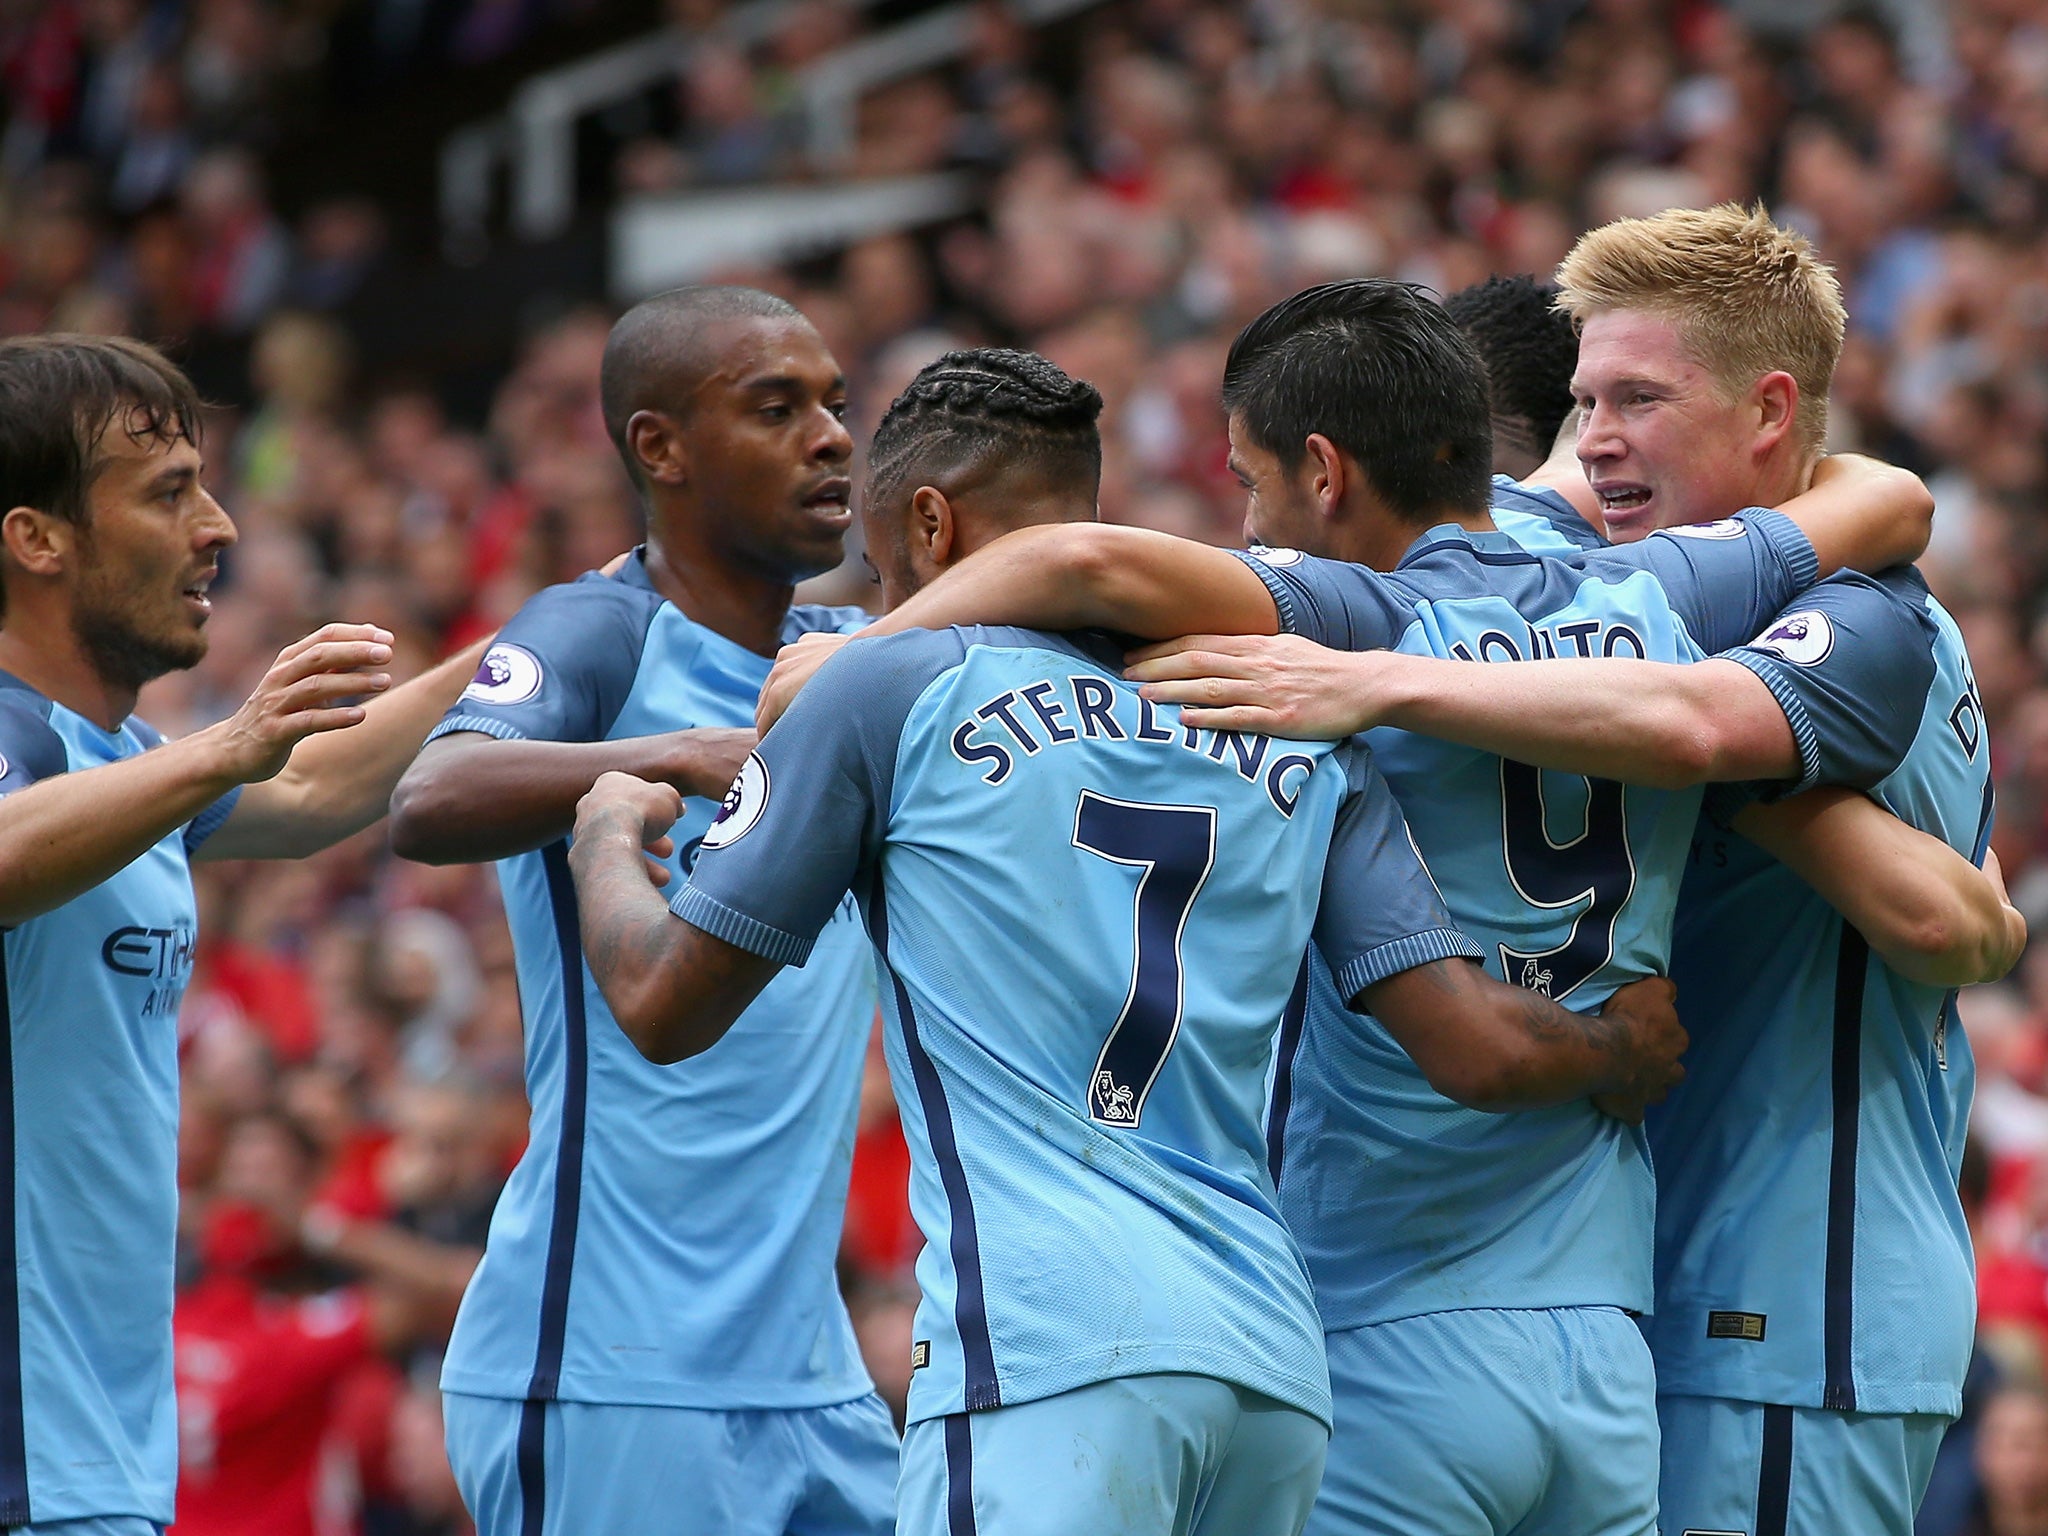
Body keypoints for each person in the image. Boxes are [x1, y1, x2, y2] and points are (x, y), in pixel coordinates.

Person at [784, 275, 1942, 1536]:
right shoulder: (1662, 595)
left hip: (1388, 1320)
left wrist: (867, 655)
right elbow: (1884, 498)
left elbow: (1076, 561)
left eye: (1248, 482)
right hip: (1599, 1345)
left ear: (1322, 475)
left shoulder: (1352, 616)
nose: (1248, 516)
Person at [566, 345, 1687, 1536]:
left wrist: (604, 831)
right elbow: (1473, 1046)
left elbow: (660, 1002)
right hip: (1271, 1368)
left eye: (885, 569)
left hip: (1049, 1354)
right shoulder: (1284, 709)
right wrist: (1617, 1052)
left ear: (930, 527)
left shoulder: (887, 685)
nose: (887, 601)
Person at [1097, 210, 2005, 1534]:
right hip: (1657, 1297)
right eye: (1584, 403)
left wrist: (1384, 685)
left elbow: (1948, 917)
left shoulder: (1863, 617)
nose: (1601, 441)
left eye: (1639, 399)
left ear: (1767, 412)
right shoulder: (1635, 583)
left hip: (1790, 1286)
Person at [385, 286, 898, 1536]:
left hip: (813, 1375)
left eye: (834, 403)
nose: (830, 437)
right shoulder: (602, 627)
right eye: (775, 409)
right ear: (657, 448)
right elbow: (431, 797)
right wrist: (681, 755)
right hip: (612, 1365)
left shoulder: (855, 652)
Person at [0, 333, 480, 1536]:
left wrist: (581, 625)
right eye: (168, 493)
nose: (218, 526)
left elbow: (321, 789)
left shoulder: (118, 761)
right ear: (37, 537)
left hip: (92, 1450)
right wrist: (224, 744)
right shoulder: (20, 743)